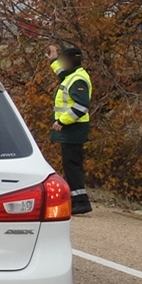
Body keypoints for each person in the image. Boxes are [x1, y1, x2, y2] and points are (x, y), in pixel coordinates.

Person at [48, 45, 93, 214]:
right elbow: (61, 74)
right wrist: (52, 60)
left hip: (74, 128)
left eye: (62, 61)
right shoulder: (73, 75)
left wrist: (62, 121)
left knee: (72, 165)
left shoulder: (78, 79)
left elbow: (82, 107)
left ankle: (81, 202)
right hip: (72, 128)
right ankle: (77, 200)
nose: (61, 64)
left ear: (70, 61)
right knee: (71, 164)